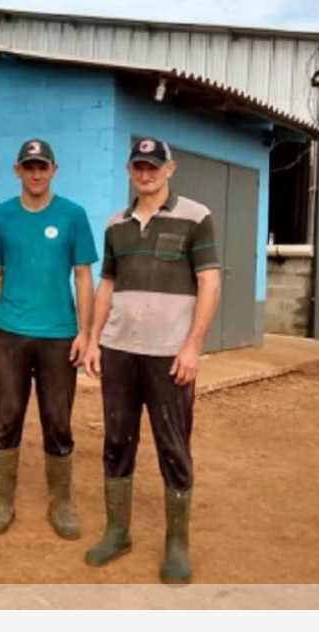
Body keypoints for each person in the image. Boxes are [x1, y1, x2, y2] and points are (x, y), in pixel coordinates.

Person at [83, 137, 221, 583]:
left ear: (170, 168)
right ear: (129, 170)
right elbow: (107, 286)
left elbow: (210, 284)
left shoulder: (196, 217)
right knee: (117, 441)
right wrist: (92, 340)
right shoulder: (115, 225)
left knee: (173, 446)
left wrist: (192, 346)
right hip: (120, 351)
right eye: (138, 166)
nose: (146, 173)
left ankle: (176, 545)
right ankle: (117, 532)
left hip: (169, 356)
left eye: (154, 165)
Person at [0, 138, 98, 540]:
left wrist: (86, 331)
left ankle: (60, 504)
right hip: (9, 333)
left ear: (54, 170)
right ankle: (2, 502)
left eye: (42, 167)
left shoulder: (73, 216)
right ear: (17, 170)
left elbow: (84, 276)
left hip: (59, 337)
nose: (35, 173)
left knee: (57, 421)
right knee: (5, 417)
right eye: (28, 167)